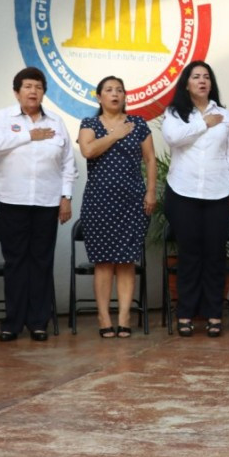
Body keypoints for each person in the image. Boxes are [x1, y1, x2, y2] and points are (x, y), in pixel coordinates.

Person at [0, 68, 76, 342]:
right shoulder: (3, 117)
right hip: (12, 200)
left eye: (38, 86)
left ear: (43, 92)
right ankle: (12, 323)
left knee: (41, 262)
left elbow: (68, 163)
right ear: (17, 92)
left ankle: (38, 322)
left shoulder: (57, 122)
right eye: (27, 86)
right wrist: (29, 135)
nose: (33, 91)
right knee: (15, 262)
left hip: (47, 202)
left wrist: (66, 197)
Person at [162, 61, 229, 338]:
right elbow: (174, 139)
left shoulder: (225, 115)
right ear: (186, 83)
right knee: (188, 255)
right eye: (196, 77)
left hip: (218, 192)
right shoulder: (175, 113)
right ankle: (185, 314)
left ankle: (213, 314)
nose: (202, 81)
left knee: (214, 255)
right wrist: (202, 123)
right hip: (182, 192)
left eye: (206, 77)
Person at [78, 76, 155, 338]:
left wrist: (151, 191)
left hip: (132, 201)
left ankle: (123, 317)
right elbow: (88, 151)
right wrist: (115, 135)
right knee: (104, 262)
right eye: (109, 90)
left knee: (126, 262)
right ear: (99, 97)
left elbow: (150, 159)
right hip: (99, 202)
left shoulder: (138, 124)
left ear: (125, 96)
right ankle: (103, 317)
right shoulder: (89, 124)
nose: (115, 94)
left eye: (119, 90)